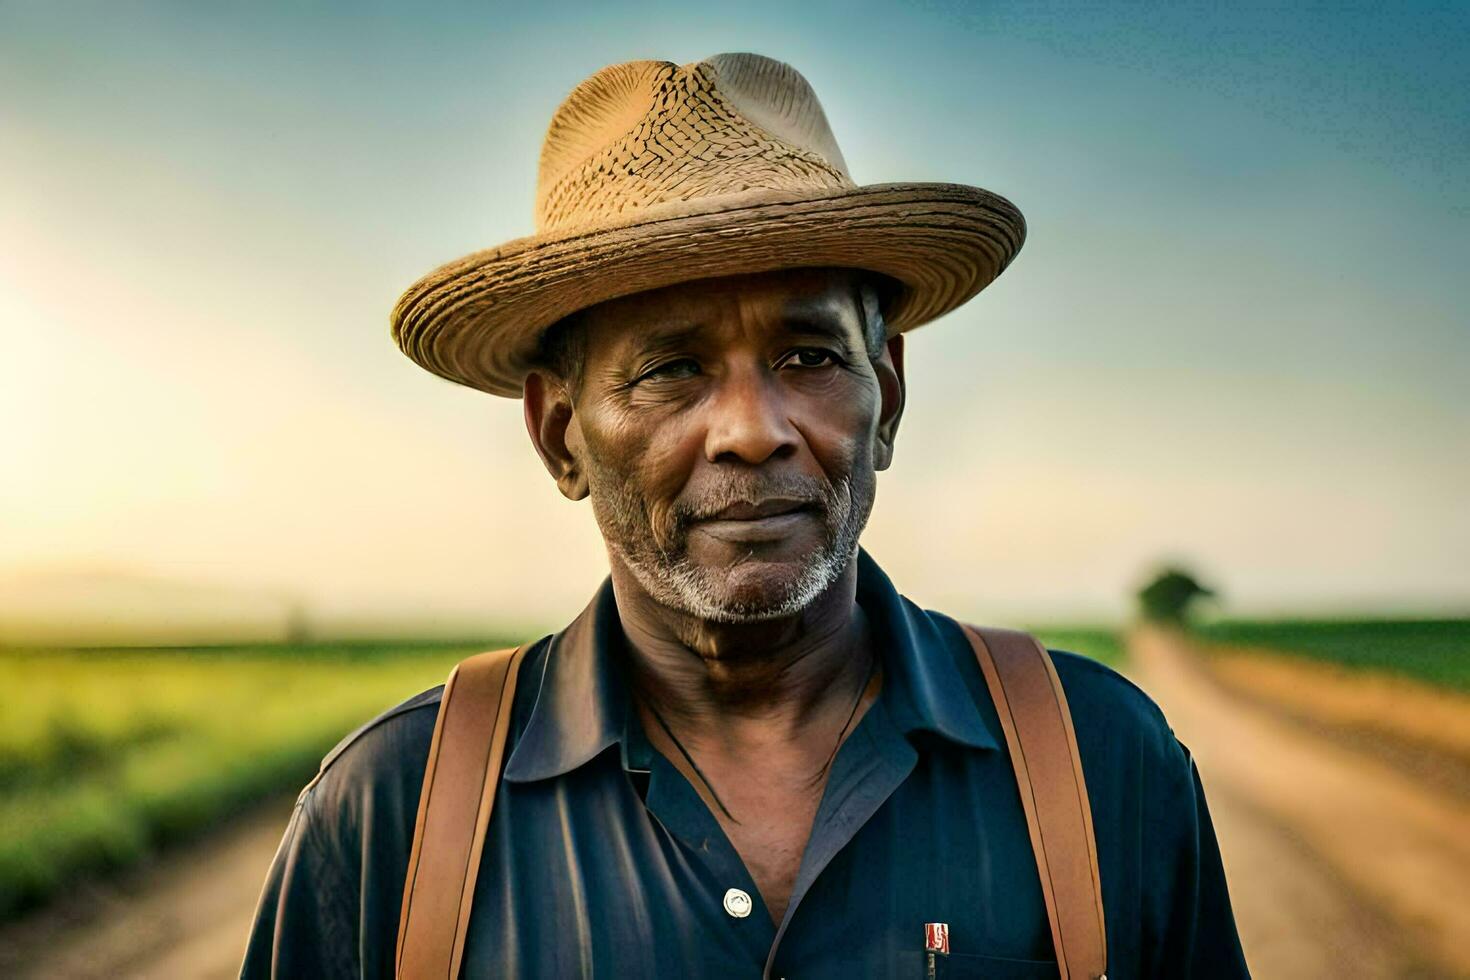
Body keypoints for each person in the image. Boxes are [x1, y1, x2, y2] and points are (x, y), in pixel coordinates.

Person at [241, 54, 1249, 979]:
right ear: (560, 435)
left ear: (885, 396)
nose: (753, 430)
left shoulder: (1102, 763)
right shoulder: (392, 817)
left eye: (807, 356)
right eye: (671, 367)